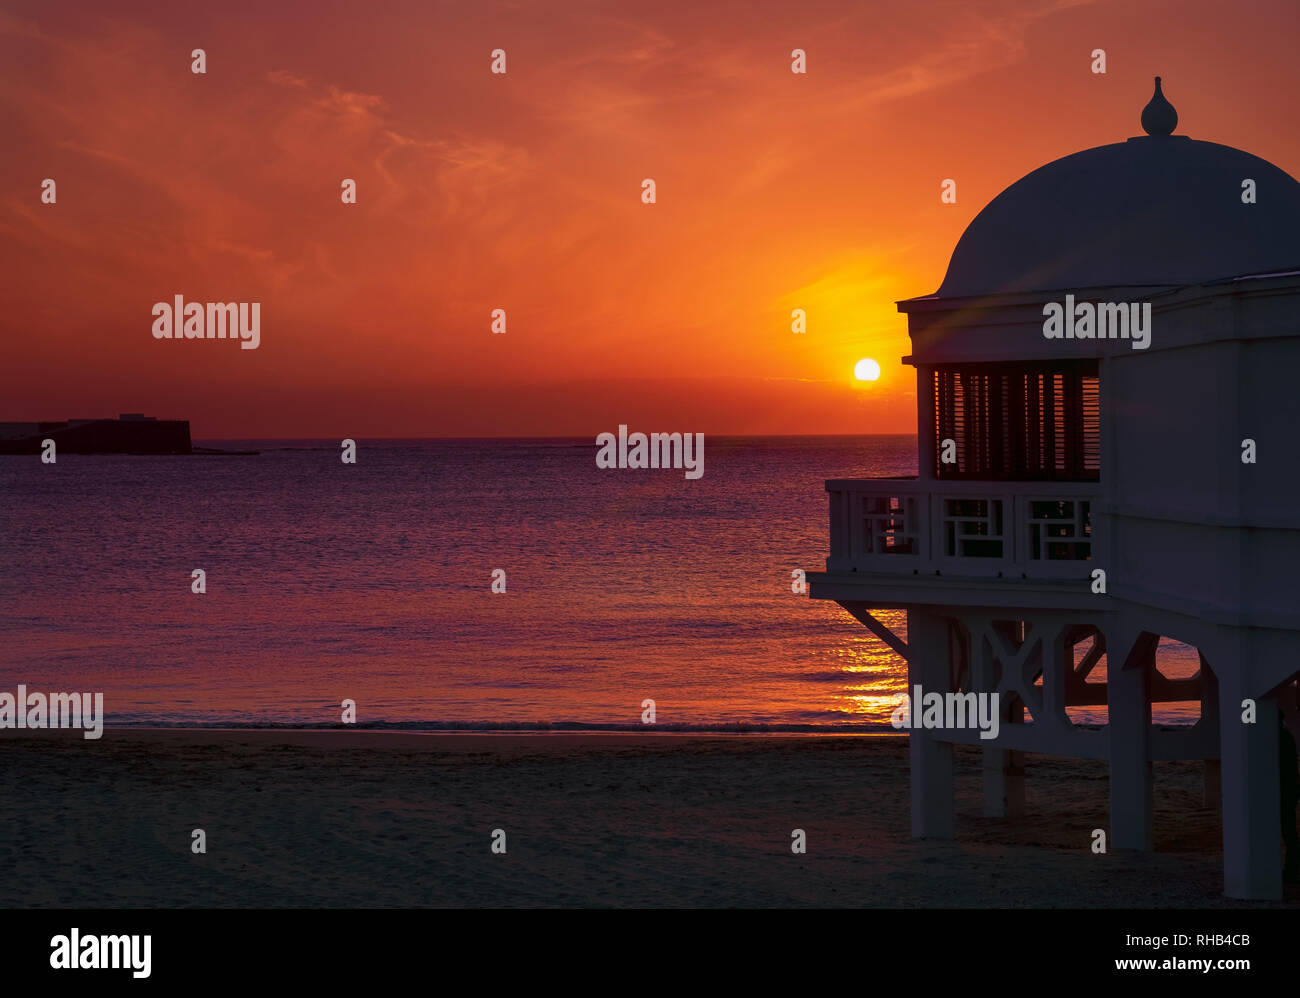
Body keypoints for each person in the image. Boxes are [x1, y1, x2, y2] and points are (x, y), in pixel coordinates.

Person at [1281, 708, 1299, 883]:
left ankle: (1292, 870)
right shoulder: (1287, 737)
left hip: (1283, 790)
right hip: (1290, 789)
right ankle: (1292, 869)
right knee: (1289, 831)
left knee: (1288, 832)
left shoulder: (1280, 738)